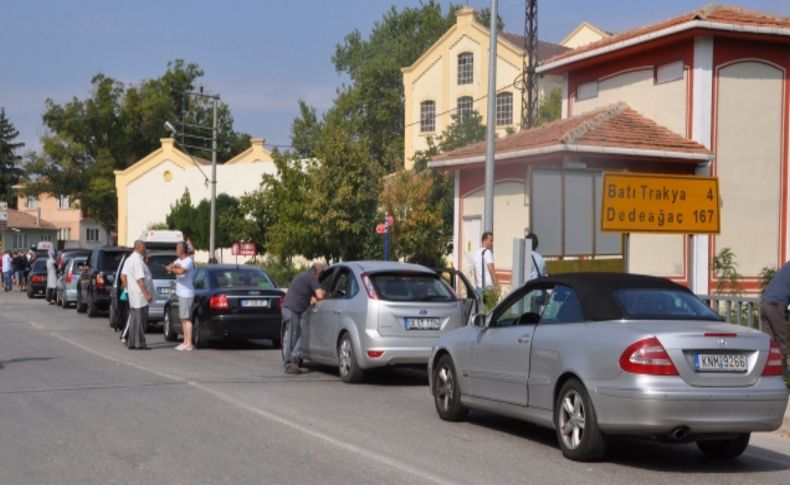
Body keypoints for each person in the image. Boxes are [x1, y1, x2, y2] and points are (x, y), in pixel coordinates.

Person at [282, 263, 326, 374]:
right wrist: (324, 293)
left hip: (290, 309)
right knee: (293, 338)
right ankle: (288, 365)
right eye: (322, 274)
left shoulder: (304, 276)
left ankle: (294, 359)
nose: (320, 277)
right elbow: (320, 295)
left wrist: (312, 298)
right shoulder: (312, 277)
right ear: (319, 272)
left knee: (299, 337)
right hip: (292, 311)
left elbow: (308, 296)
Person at [122, 240, 153, 350]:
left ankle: (132, 342)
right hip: (140, 295)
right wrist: (146, 294)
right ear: (139, 247)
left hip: (134, 295)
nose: (145, 249)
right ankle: (140, 343)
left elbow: (123, 275)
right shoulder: (137, 261)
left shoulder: (130, 259)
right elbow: (140, 279)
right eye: (144, 246)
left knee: (134, 319)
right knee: (140, 320)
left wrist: (128, 288)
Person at [761, 261, 790, 377]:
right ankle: (783, 376)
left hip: (764, 304)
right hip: (775, 306)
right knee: (783, 342)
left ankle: (768, 375)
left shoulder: (788, 265)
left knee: (769, 345)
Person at [166, 242, 195, 351]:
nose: (176, 251)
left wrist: (172, 269)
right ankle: (185, 342)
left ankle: (189, 343)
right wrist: (172, 266)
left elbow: (182, 271)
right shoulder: (179, 260)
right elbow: (171, 265)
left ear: (182, 250)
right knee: (182, 318)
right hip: (181, 293)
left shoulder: (188, 261)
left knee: (186, 319)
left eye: (177, 249)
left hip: (187, 294)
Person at [473, 232, 497, 296]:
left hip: (479, 287)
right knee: (491, 306)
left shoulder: (476, 253)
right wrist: (496, 284)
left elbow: (474, 271)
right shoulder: (487, 252)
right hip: (488, 288)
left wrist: (477, 284)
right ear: (484, 240)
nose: (492, 243)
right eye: (490, 241)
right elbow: (490, 269)